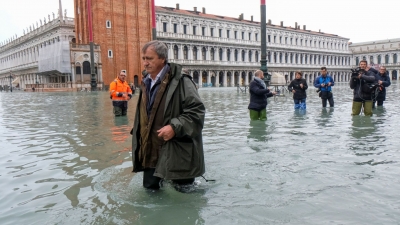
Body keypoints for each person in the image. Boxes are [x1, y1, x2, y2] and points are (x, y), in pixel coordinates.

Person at [131, 40, 206, 190]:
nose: (145, 63)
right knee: (150, 192)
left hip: (177, 151)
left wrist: (174, 127)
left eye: (149, 58)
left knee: (183, 196)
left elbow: (197, 111)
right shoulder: (146, 81)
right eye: (143, 58)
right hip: (150, 149)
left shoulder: (182, 81)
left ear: (162, 59)